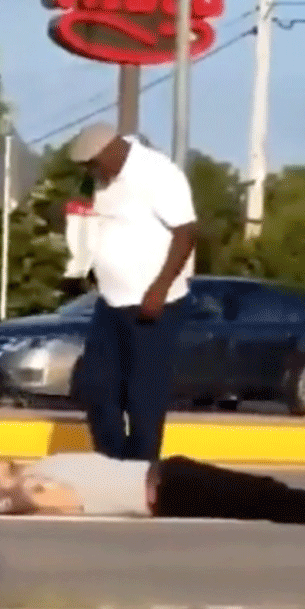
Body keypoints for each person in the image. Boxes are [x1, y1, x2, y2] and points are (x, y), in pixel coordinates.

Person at [66, 122, 198, 461]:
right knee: (96, 386)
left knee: (144, 397)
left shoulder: (158, 172)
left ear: (108, 152)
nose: (91, 173)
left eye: (92, 164)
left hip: (155, 303)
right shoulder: (103, 182)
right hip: (111, 301)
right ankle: (111, 463)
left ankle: (142, 474)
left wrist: (160, 287)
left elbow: (186, 232)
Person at [0, 449, 305, 527]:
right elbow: (33, 503)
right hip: (166, 491)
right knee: (270, 500)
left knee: (269, 492)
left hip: (169, 473)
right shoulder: (34, 484)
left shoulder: (41, 463)